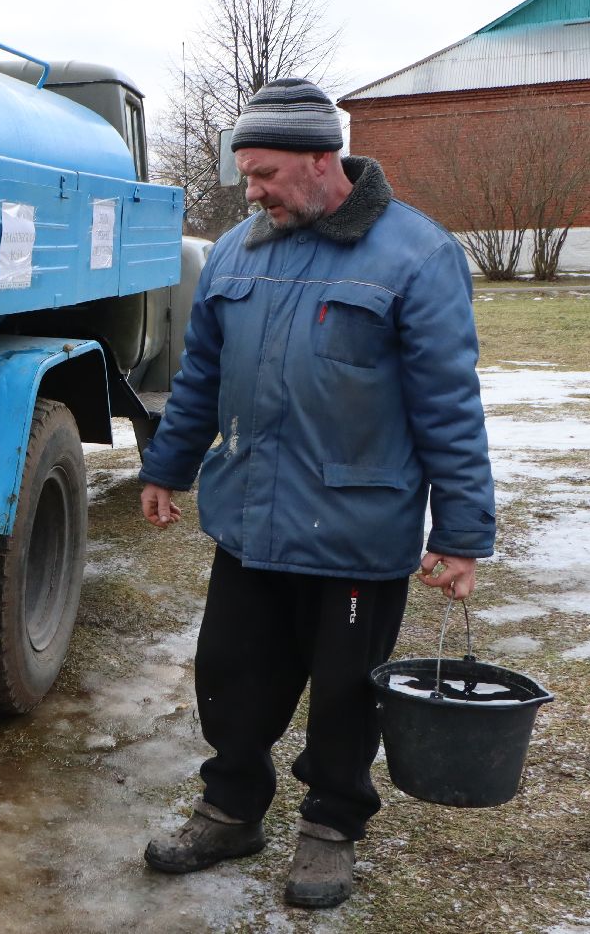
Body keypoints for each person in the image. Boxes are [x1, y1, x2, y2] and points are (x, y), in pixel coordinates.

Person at [137, 78, 495, 909]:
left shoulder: (417, 255)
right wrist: (167, 466)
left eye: (263, 174)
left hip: (356, 527)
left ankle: (331, 827)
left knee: (345, 694)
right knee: (231, 676)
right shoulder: (236, 251)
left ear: (322, 160)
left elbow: (448, 405)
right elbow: (200, 376)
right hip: (249, 516)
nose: (251, 192)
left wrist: (461, 533)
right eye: (246, 175)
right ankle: (230, 811)